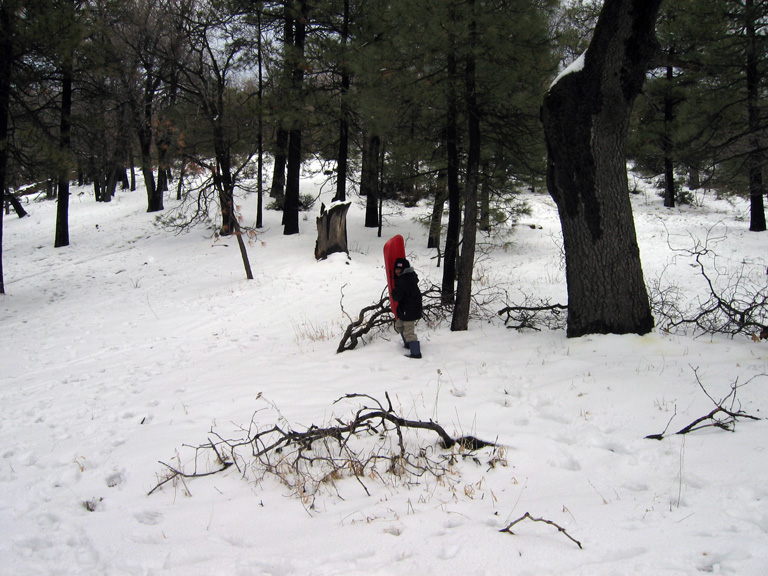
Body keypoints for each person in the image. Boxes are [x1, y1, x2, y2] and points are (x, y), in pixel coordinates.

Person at [391, 257, 423, 359]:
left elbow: (397, 296)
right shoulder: (406, 278)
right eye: (396, 269)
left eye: (400, 270)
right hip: (407, 309)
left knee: (409, 331)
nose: (397, 272)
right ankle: (408, 344)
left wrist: (393, 292)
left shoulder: (404, 281)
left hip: (410, 310)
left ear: (404, 270)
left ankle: (415, 353)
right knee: (399, 326)